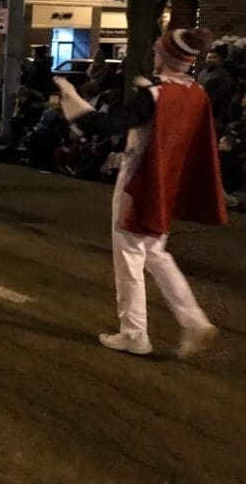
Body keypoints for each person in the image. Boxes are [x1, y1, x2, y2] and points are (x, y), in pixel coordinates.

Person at [55, 28, 226, 357]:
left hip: (139, 182)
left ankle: (135, 333)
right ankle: (194, 322)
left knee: (130, 258)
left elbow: (107, 126)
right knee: (157, 255)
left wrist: (70, 99)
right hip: (167, 184)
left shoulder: (154, 95)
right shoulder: (197, 93)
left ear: (164, 55)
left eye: (157, 50)